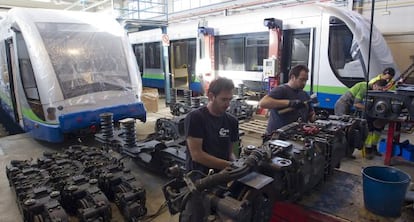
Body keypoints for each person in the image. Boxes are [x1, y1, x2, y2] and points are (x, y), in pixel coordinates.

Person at [181, 77, 239, 222]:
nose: (227, 104)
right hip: (198, 179)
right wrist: (230, 166)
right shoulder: (195, 118)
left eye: (229, 99)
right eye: (223, 99)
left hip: (222, 177)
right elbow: (197, 155)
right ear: (211, 96)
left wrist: (237, 162)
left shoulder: (232, 121)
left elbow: (232, 151)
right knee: (197, 215)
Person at [259, 64, 316, 135]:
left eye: (306, 80)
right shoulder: (281, 90)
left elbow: (311, 115)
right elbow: (263, 103)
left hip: (296, 136)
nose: (304, 83)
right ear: (293, 77)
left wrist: (315, 117)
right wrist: (290, 103)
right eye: (302, 80)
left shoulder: (304, 94)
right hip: (277, 136)